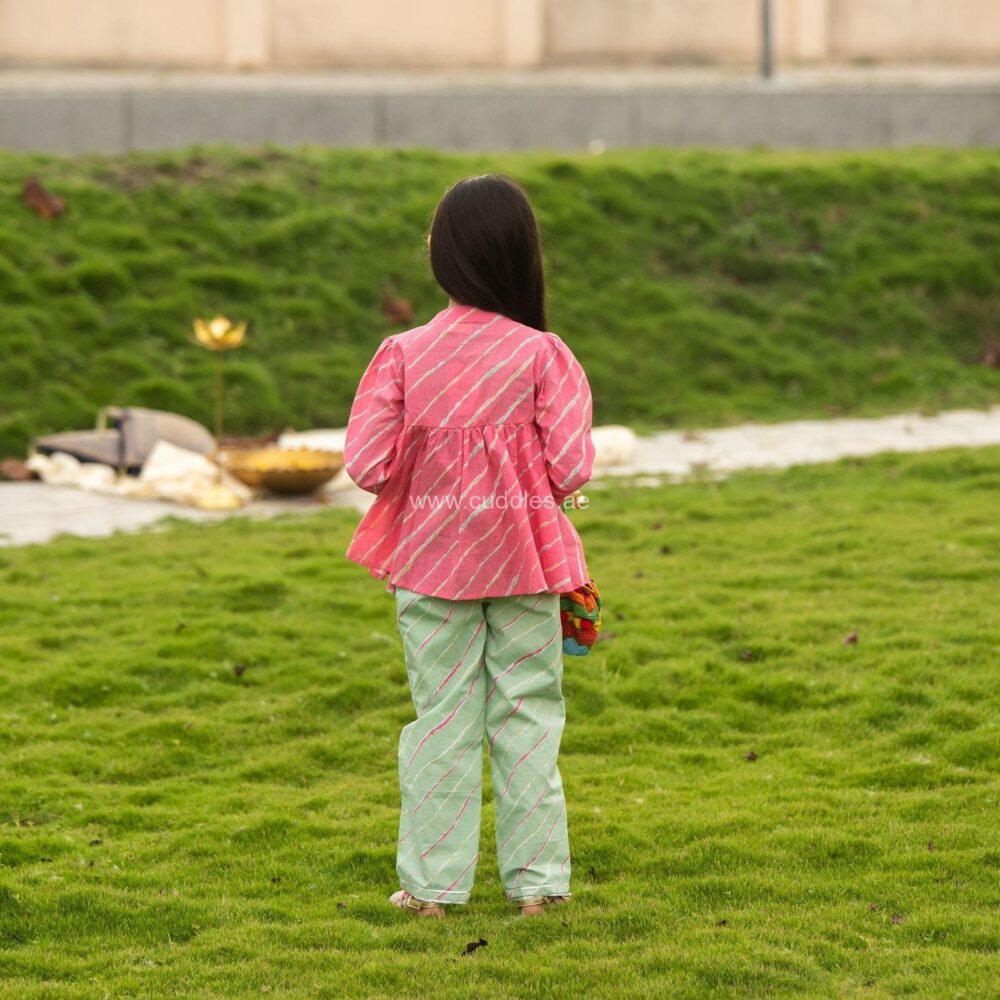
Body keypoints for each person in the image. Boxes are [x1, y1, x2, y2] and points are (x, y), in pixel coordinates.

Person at [343, 174, 595, 918]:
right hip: (526, 562)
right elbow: (573, 467)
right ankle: (538, 888)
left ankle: (431, 890)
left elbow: (367, 464)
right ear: (523, 254)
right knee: (528, 712)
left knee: (442, 718)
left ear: (441, 256)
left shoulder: (401, 355)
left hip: (429, 563)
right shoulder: (546, 355)